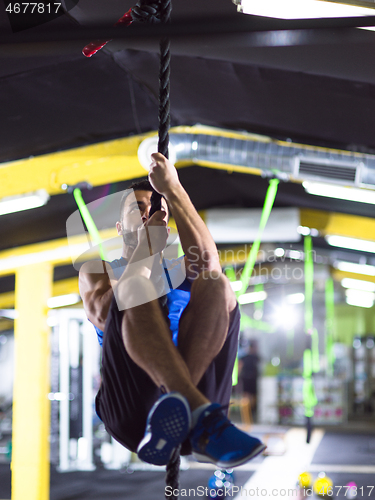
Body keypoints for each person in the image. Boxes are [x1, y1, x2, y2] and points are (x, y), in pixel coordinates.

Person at [79, 152, 266, 467]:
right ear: (118, 225)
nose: (147, 214)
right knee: (134, 286)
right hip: (133, 410)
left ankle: (182, 405)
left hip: (199, 409)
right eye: (137, 209)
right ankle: (192, 408)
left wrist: (174, 191)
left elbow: (208, 264)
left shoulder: (182, 269)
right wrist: (146, 248)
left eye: (156, 211)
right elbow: (103, 312)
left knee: (216, 283)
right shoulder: (99, 270)